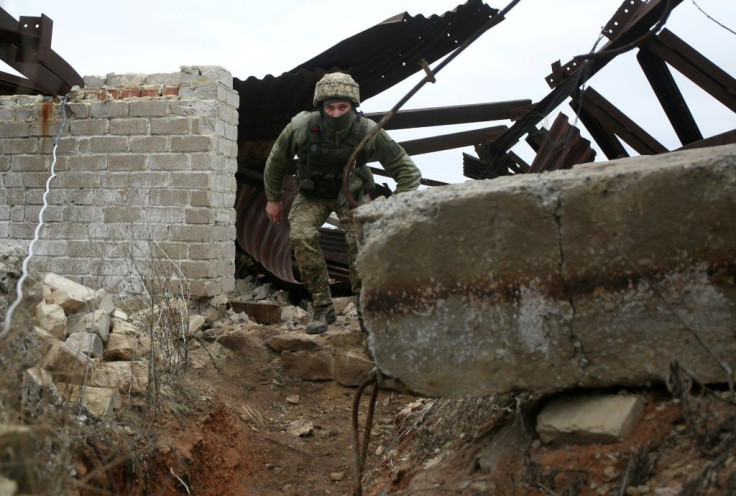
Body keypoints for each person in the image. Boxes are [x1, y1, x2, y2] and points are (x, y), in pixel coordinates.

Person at [263, 72, 421, 335]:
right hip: (312, 193)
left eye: (343, 107)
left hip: (353, 196)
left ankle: (365, 308)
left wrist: (394, 207)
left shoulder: (368, 130)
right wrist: (273, 198)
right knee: (301, 236)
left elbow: (408, 172)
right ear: (321, 107)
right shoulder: (301, 126)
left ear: (353, 107)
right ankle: (323, 306)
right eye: (330, 107)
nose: (336, 113)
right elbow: (276, 162)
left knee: (359, 242)